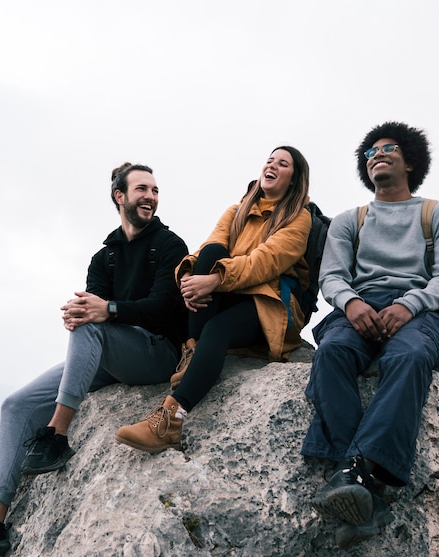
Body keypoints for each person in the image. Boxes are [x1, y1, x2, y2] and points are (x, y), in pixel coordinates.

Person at [0, 162, 188, 556]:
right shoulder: (106, 258)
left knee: (93, 324)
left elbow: (164, 306)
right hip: (110, 357)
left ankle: (56, 436)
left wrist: (108, 311)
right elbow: (92, 311)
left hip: (157, 353)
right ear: (120, 196)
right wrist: (81, 312)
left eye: (155, 190)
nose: (150, 196)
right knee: (15, 405)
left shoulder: (169, 245)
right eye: (142, 189)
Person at [301, 122, 439, 548]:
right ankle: (365, 483)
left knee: (409, 359)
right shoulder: (348, 221)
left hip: (419, 308)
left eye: (389, 148)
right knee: (331, 352)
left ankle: (351, 471)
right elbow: (332, 277)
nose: (378, 154)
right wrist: (352, 304)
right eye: (371, 152)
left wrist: (409, 304)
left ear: (410, 160)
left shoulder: (438, 214)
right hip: (358, 305)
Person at [115, 146, 313, 453]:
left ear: (294, 178)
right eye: (269, 160)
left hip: (269, 304)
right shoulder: (237, 211)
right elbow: (209, 246)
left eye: (282, 163)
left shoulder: (299, 218)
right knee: (209, 254)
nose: (271, 165)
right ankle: (193, 352)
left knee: (218, 329)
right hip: (229, 293)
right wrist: (188, 274)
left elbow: (265, 262)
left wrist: (216, 279)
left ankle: (171, 418)